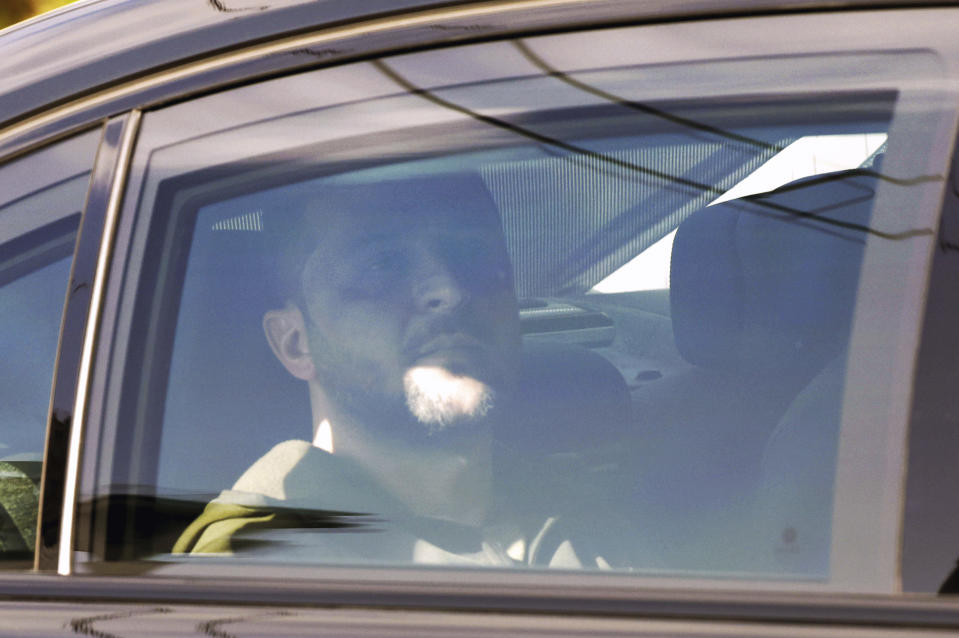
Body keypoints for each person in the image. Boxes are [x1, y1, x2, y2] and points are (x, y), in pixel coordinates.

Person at [174, 172, 627, 567]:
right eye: (381, 265)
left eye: (473, 254)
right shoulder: (251, 571)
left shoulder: (597, 504)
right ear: (295, 343)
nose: (450, 290)